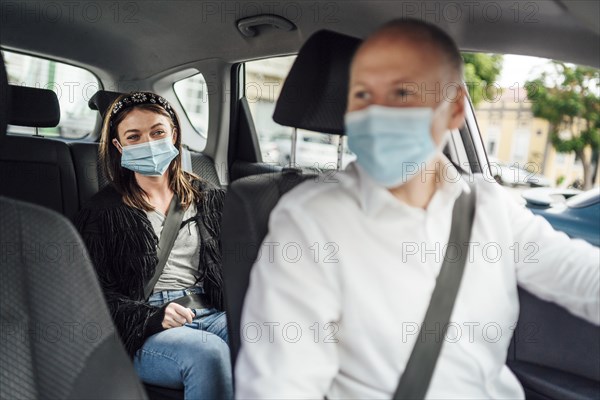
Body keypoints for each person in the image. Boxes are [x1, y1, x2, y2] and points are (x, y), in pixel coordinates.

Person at [234, 19, 600, 399]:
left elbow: (581, 278)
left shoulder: (489, 206)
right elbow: (280, 384)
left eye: (402, 92)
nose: (375, 113)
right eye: (361, 95)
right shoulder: (311, 220)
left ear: (455, 108)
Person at [75, 91, 232, 399]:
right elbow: (91, 298)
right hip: (141, 327)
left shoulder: (211, 197)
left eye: (157, 132)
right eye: (134, 136)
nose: (148, 143)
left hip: (211, 310)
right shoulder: (102, 212)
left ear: (173, 135)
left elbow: (238, 268)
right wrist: (152, 317)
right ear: (119, 147)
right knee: (208, 353)